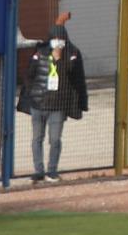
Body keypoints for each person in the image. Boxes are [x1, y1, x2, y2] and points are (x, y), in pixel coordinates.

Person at [18, 21, 88, 183]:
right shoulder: (40, 52)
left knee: (55, 139)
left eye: (61, 39)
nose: (58, 42)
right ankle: (39, 170)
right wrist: (33, 92)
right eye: (55, 39)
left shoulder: (72, 54)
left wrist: (58, 60)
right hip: (38, 104)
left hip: (58, 105)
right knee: (37, 138)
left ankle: (52, 170)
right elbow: (30, 74)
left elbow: (76, 78)